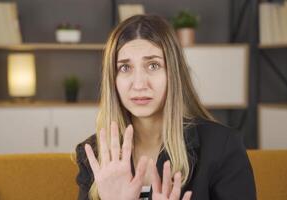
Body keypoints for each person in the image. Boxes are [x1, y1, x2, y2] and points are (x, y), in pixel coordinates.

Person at [75, 14, 256, 200]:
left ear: (173, 73)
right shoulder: (94, 154)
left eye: (153, 66)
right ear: (112, 80)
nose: (139, 84)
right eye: (125, 68)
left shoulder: (222, 146)